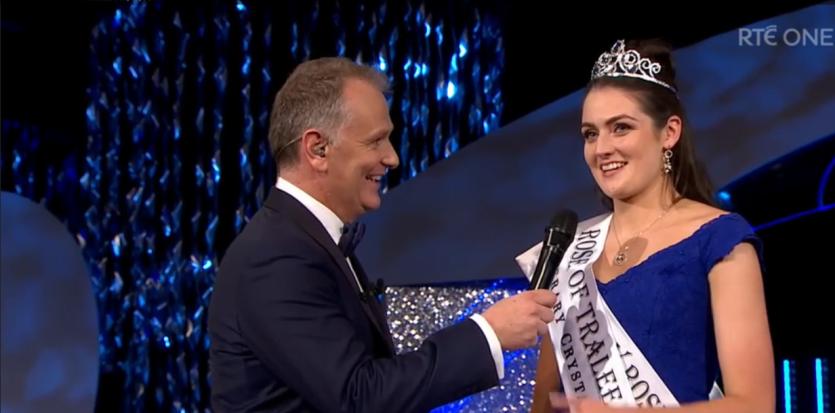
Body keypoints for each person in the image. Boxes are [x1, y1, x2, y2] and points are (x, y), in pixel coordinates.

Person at [207, 57, 557, 413]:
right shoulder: (276, 256)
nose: (392, 159)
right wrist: (489, 333)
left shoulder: (305, 242)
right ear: (317, 149)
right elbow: (359, 396)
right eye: (376, 141)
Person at [516, 39, 775, 413]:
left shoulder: (721, 239)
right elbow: (544, 404)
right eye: (591, 133)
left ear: (669, 132)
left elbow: (754, 405)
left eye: (620, 128)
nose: (601, 148)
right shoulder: (573, 249)